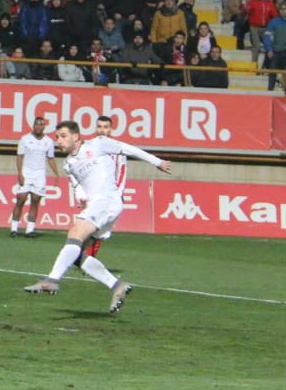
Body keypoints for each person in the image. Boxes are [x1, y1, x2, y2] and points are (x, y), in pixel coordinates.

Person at [24, 120, 170, 312]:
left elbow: (128, 149)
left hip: (107, 201)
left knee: (75, 233)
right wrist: (81, 197)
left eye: (63, 136)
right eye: (57, 137)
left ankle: (52, 279)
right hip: (98, 205)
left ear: (76, 136)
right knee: (79, 256)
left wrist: (157, 162)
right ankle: (117, 286)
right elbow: (76, 184)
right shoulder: (69, 163)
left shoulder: (97, 144)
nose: (59, 141)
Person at [68, 115, 125, 261]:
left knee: (100, 229)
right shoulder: (89, 146)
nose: (102, 130)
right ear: (96, 128)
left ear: (110, 129)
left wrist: (118, 193)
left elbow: (122, 171)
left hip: (110, 195)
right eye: (99, 127)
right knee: (87, 226)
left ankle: (86, 257)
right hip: (93, 195)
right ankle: (82, 256)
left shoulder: (116, 147)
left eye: (105, 127)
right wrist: (82, 193)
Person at [10, 117, 58, 237]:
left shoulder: (49, 141)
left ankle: (30, 229)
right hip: (27, 173)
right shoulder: (25, 139)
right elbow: (20, 156)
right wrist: (20, 173)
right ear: (33, 126)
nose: (39, 127)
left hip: (39, 175)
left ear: (44, 127)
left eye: (41, 125)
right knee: (21, 199)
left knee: (35, 201)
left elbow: (50, 158)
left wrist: (56, 173)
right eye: (37, 124)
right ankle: (14, 228)